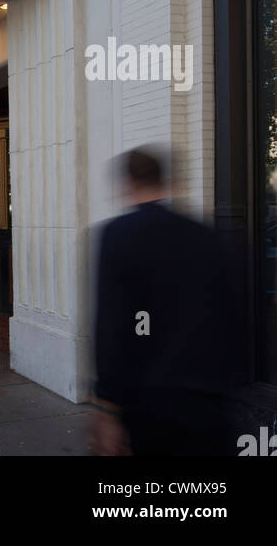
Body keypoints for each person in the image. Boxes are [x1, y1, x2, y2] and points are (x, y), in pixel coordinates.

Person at [92, 147, 235, 457]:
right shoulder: (204, 235)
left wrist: (108, 408)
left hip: (147, 401)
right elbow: (226, 316)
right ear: (165, 179)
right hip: (205, 398)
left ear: (129, 184)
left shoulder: (117, 235)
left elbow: (112, 328)